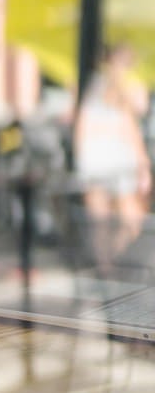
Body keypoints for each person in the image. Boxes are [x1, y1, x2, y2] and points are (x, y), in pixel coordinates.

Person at [73, 43, 152, 274]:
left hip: (95, 163)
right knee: (131, 219)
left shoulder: (91, 88)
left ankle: (106, 266)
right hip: (118, 163)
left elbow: (81, 129)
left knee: (100, 222)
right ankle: (114, 261)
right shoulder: (124, 87)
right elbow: (131, 128)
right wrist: (143, 165)